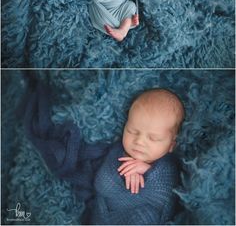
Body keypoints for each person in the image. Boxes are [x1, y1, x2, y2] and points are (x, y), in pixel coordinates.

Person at [22, 77, 185, 225]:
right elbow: (101, 184)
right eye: (132, 131)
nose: (139, 141)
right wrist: (123, 174)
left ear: (171, 145)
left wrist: (148, 172)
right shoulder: (117, 153)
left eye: (153, 138)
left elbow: (165, 200)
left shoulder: (168, 167)